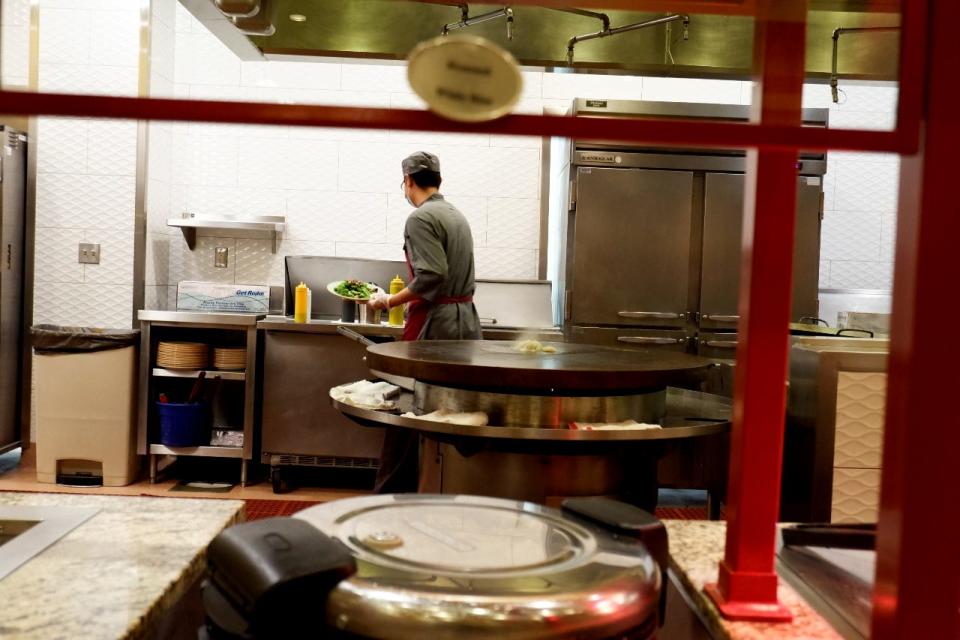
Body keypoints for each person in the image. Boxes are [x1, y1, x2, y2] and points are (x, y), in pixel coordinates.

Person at [367, 151, 482, 492]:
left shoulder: (420, 218)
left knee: (408, 404)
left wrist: (388, 300)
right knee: (449, 409)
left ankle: (390, 497)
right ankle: (443, 489)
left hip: (436, 324)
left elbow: (431, 275)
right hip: (464, 323)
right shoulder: (455, 215)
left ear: (409, 181)